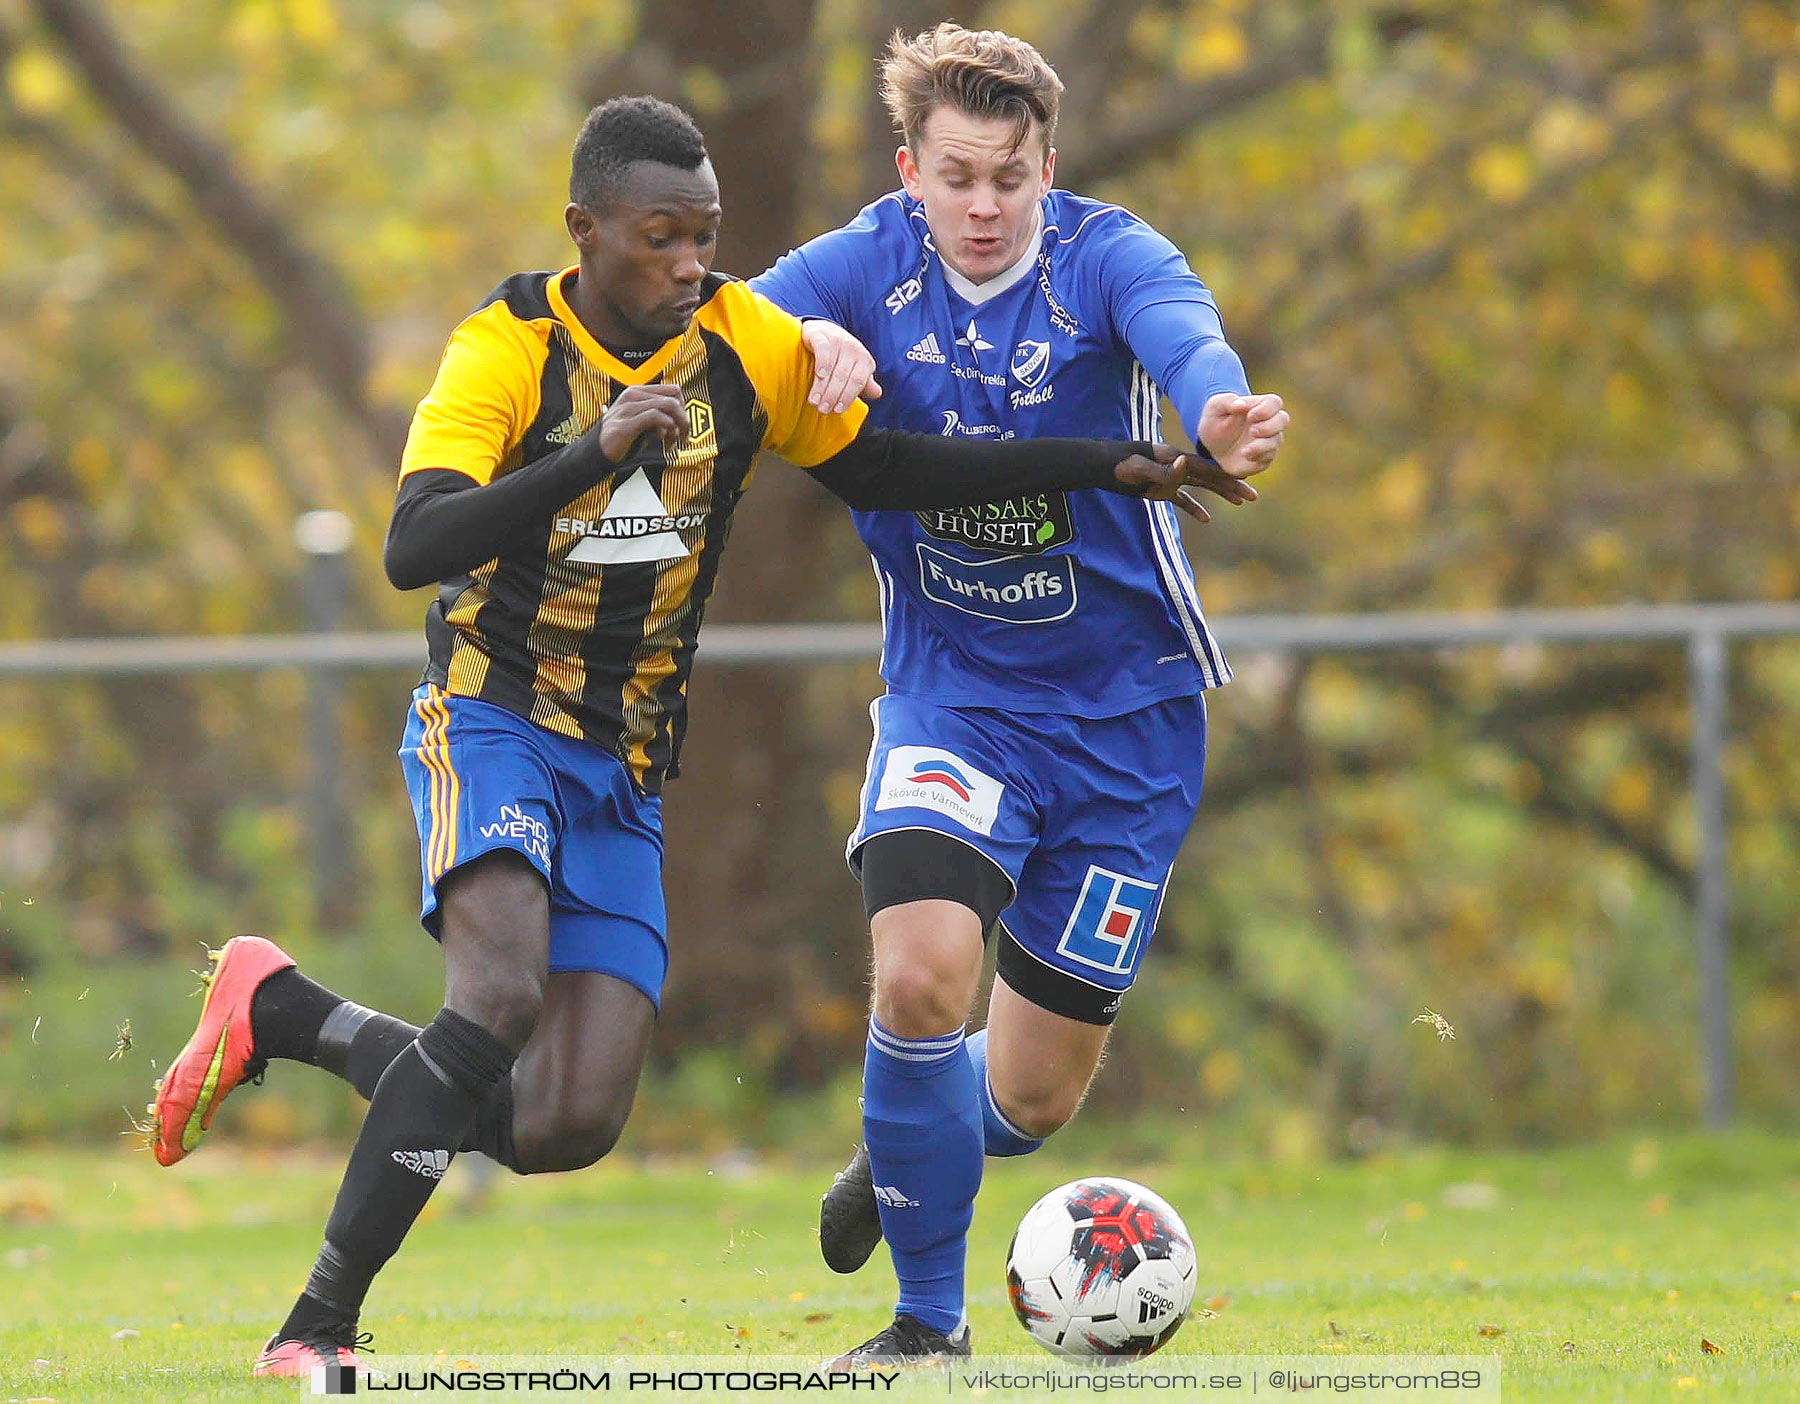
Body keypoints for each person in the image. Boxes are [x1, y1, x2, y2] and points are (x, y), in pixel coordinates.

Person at [142, 94, 1229, 1377]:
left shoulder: (740, 341)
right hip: (491, 719)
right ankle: (313, 1332)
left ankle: (283, 1010)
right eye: (659, 238)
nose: (686, 265)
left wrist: (1108, 464)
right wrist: (588, 454)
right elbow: (412, 546)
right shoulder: (504, 348)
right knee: (492, 1000)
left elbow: (889, 470)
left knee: (562, 1123)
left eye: (704, 238)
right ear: (584, 232)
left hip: (627, 764)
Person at [749, 24, 1288, 1367]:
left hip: (1131, 722)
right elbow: (724, 325)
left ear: (1051, 167)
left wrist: (1216, 413)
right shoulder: (864, 261)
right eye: (957, 177)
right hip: (954, 701)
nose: (983, 207)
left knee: (1035, 1094)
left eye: (1010, 177)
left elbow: (1187, 340)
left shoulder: (1110, 256)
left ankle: (901, 1151)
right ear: (909, 170)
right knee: (924, 979)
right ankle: (928, 1328)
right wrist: (802, 333)